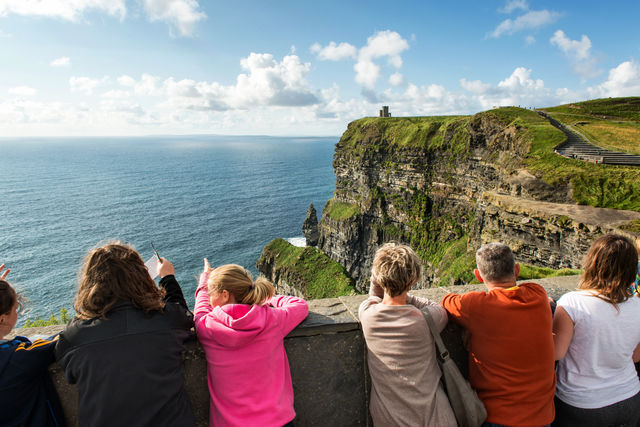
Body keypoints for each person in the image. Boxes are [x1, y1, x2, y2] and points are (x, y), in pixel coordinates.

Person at [55, 242, 196, 427]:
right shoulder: (166, 320)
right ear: (141, 275)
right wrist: (168, 278)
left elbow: (66, 366)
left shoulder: (75, 336)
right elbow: (183, 315)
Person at [441, 242, 555, 427]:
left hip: (498, 418)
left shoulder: (476, 306)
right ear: (517, 270)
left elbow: (446, 301)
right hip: (543, 417)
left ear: (478, 276)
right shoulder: (538, 294)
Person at [194, 259, 308, 427]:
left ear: (225, 295)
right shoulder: (271, 319)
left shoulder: (206, 327)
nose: (210, 298)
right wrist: (267, 299)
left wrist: (205, 279)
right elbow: (300, 305)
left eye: (212, 293)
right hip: (277, 422)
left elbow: (201, 308)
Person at [358, 243, 457, 427]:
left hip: (389, 419)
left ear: (378, 277)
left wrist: (383, 281)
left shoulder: (368, 315)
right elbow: (436, 307)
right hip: (436, 418)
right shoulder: (427, 320)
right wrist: (404, 292)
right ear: (413, 280)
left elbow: (375, 297)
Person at [552, 234, 640, 427]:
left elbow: (556, 352)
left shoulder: (572, 302)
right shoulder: (638, 305)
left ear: (593, 263)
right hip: (629, 397)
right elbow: (635, 356)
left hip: (583, 404)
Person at [0, 264, 66, 427]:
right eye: (15, 309)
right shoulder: (18, 357)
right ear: (2, 319)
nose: (17, 313)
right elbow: (66, 338)